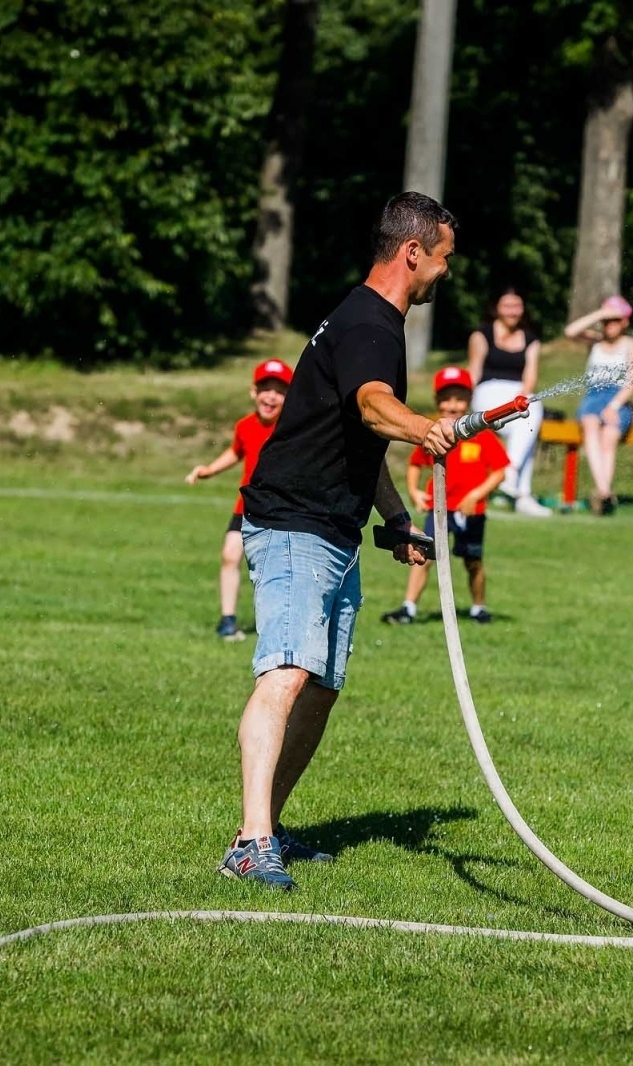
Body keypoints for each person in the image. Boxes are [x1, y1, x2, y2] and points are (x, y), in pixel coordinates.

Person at [224, 191, 460, 890]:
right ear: (412, 252)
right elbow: (372, 408)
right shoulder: (371, 325)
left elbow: (357, 441)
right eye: (443, 258)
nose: (445, 273)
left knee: (319, 687)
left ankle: (268, 827)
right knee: (288, 673)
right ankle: (249, 842)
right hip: (294, 523)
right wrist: (424, 427)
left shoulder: (367, 322)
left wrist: (392, 521)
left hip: (334, 529)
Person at [381, 366, 509, 626]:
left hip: (470, 512)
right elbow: (416, 463)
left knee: (473, 561)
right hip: (439, 510)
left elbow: (500, 472)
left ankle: (478, 608)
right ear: (437, 401)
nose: (453, 405)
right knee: (425, 556)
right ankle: (409, 607)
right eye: (446, 398)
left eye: (459, 398)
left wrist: (477, 494)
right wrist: (415, 490)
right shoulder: (433, 432)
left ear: (469, 400)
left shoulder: (480, 435)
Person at [184, 358, 294, 641]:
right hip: (246, 507)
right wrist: (208, 470)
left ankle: (279, 623)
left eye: (279, 390)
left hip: (282, 510)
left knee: (276, 569)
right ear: (252, 392)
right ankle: (228, 619)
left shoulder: (292, 429)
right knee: (229, 555)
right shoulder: (245, 426)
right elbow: (236, 452)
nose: (270, 396)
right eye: (264, 388)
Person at [468, 289, 548, 516]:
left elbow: (530, 378)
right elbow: (474, 371)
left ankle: (512, 481)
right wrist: (462, 397)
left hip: (518, 393)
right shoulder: (481, 334)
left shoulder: (531, 339)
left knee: (529, 415)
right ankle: (520, 490)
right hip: (487, 391)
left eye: (517, 306)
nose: (513, 311)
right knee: (527, 426)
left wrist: (522, 398)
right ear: (497, 308)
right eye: (507, 305)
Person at [563, 296, 633, 515]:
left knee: (609, 437)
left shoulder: (629, 344)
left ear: (625, 322)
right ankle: (605, 491)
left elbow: (632, 381)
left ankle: (602, 492)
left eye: (615, 319)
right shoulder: (595, 341)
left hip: (618, 397)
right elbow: (570, 331)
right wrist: (600, 313)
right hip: (593, 395)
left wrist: (614, 406)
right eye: (607, 320)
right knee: (589, 423)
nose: (610, 324)